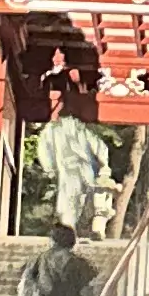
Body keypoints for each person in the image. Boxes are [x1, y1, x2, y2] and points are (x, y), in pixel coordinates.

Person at [41, 93, 112, 237]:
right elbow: (100, 148)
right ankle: (73, 229)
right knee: (74, 199)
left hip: (80, 168)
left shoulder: (69, 129)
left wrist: (49, 168)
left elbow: (44, 149)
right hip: (72, 168)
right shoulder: (61, 130)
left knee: (83, 199)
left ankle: (83, 228)